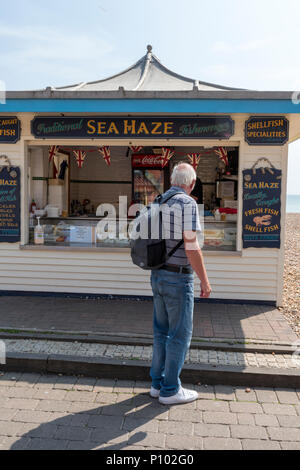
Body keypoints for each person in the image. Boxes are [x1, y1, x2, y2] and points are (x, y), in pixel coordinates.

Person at [150, 162, 212, 405]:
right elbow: (191, 246)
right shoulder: (187, 203)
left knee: (160, 332)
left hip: (157, 275)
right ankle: (170, 390)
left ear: (173, 180)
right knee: (179, 335)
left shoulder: (159, 201)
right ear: (192, 183)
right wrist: (204, 281)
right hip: (178, 277)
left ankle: (157, 384)